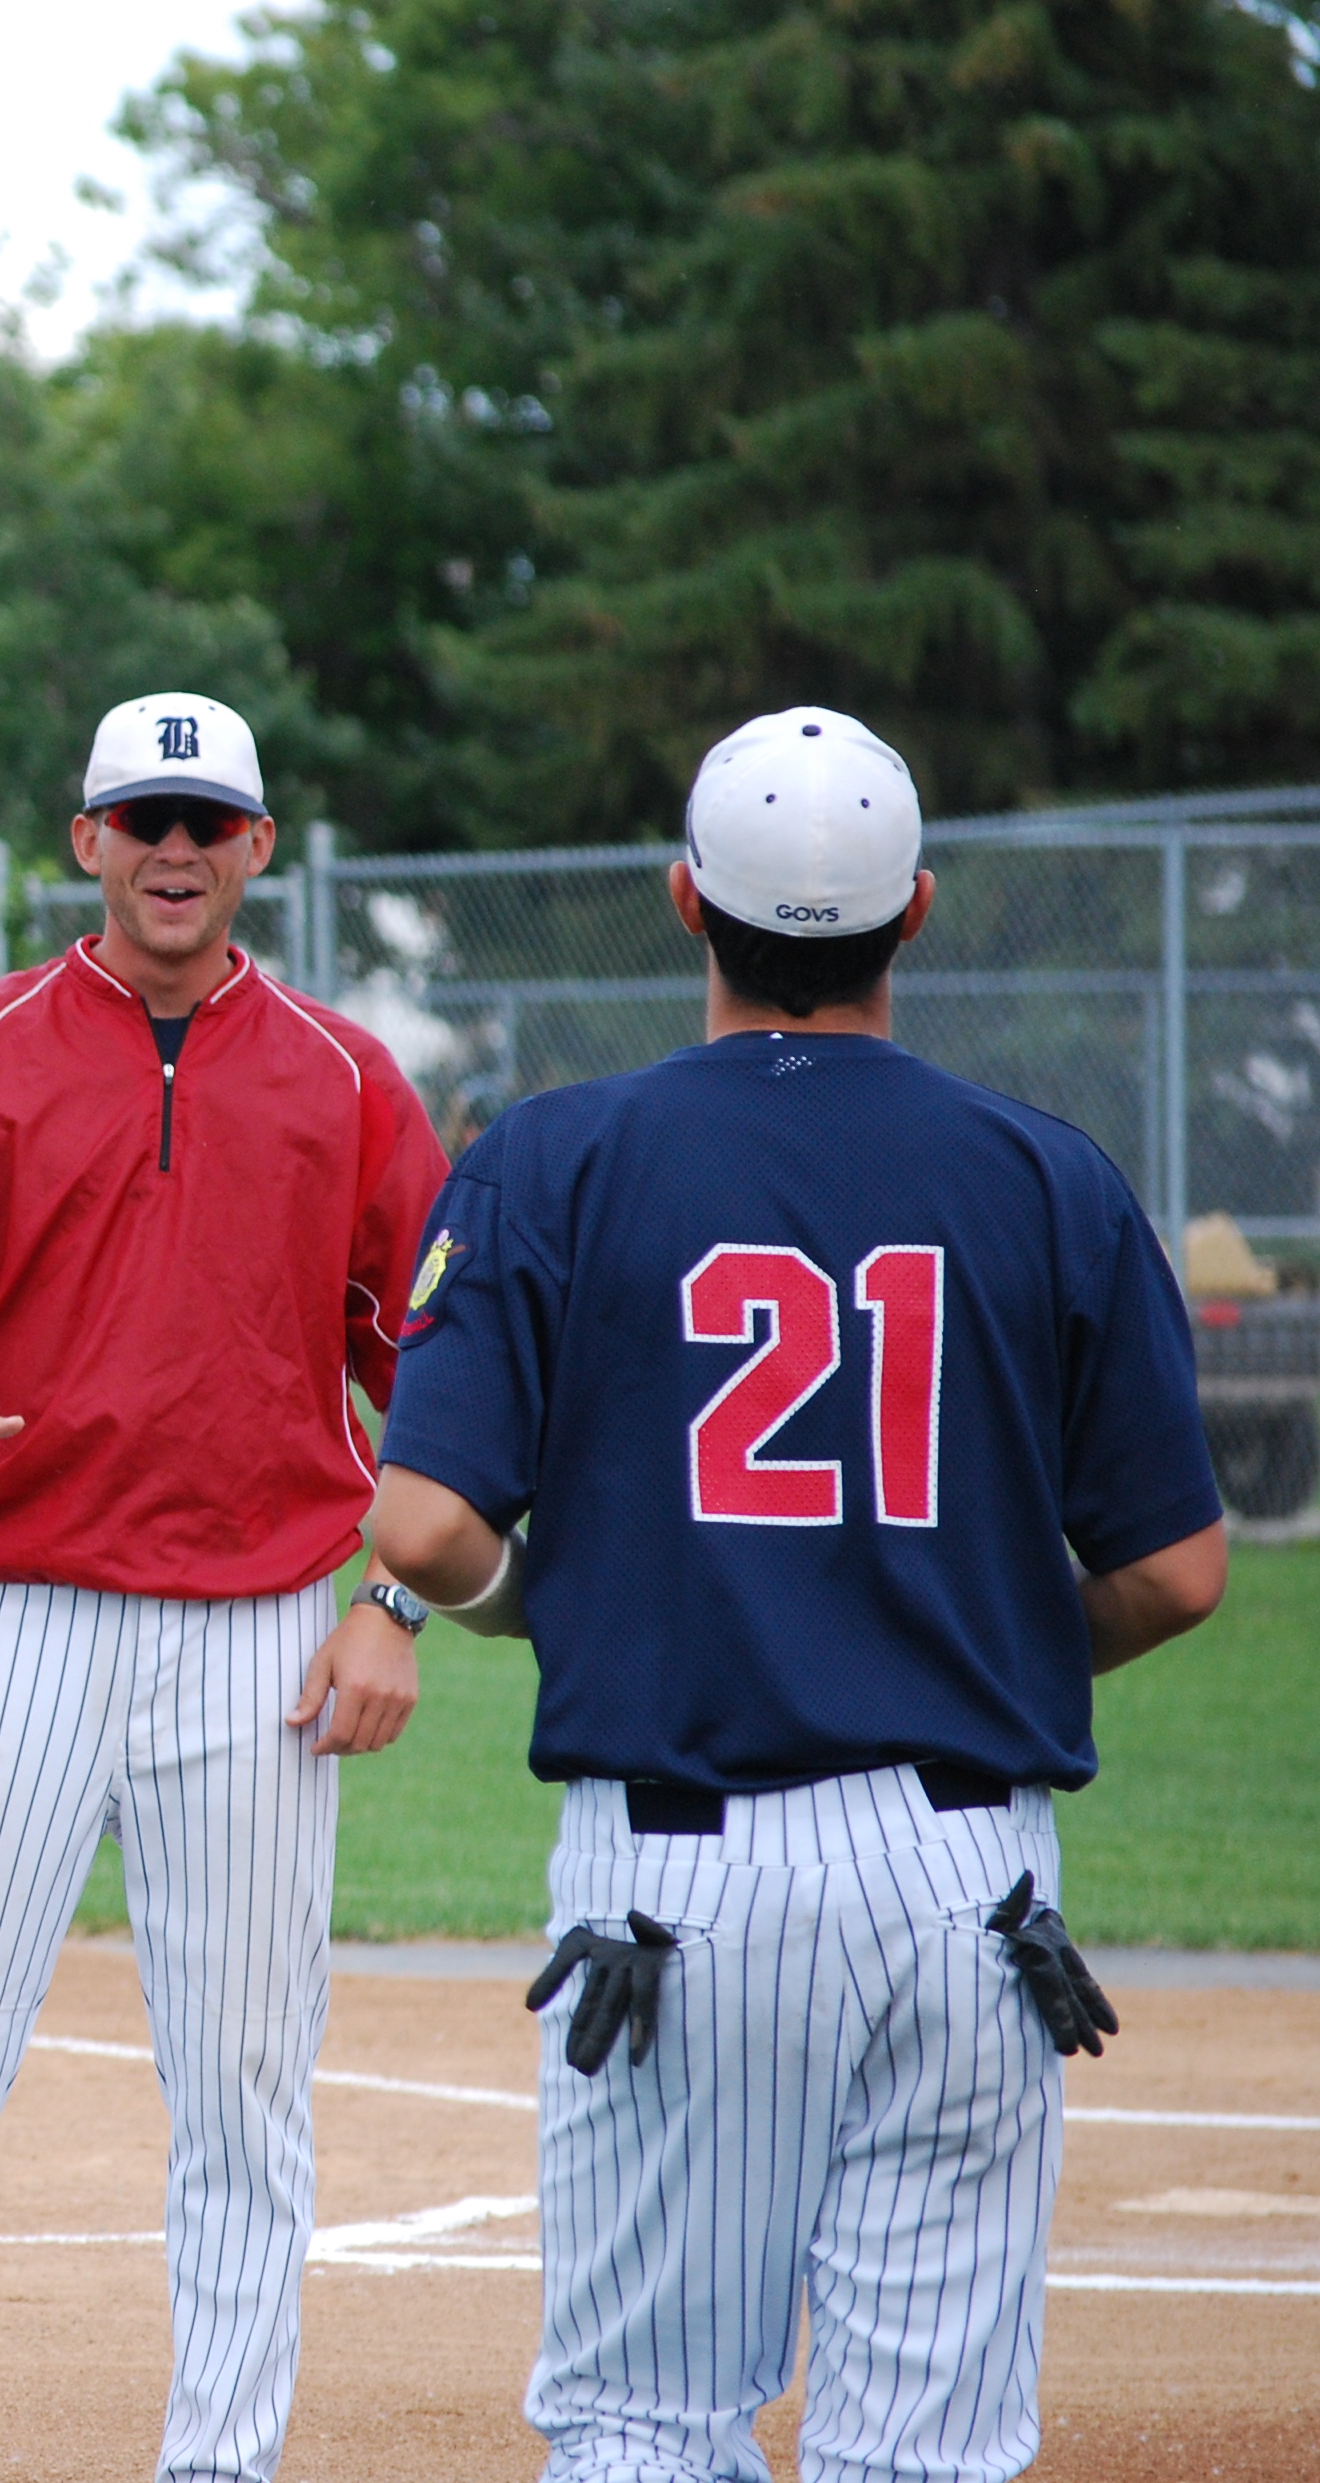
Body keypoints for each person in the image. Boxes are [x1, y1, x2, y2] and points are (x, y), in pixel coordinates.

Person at [367, 707, 1226, 2483]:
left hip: (678, 1878)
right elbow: (1176, 1570)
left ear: (687, 900)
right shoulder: (1048, 1173)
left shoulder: (559, 1156)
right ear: (918, 910)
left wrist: (541, 1607)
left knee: (643, 2421)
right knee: (926, 2445)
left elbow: (426, 1529)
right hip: (969, 1881)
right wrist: (990, 1643)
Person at [0, 693, 451, 2483]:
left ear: (259, 849)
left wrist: (395, 1604)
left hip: (260, 1636)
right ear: (87, 841)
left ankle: (220, 2462)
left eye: (208, 821)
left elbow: (453, 1385)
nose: (175, 849)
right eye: (144, 818)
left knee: (245, 2096)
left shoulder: (347, 1078)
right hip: (9, 1615)